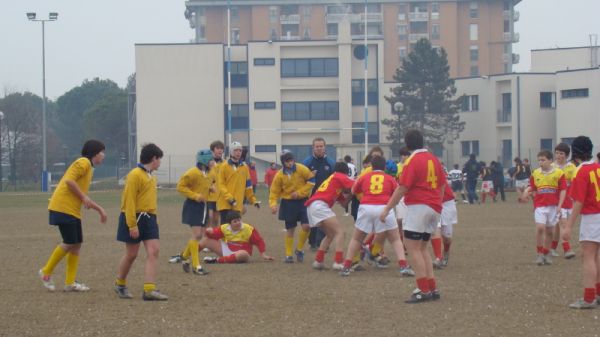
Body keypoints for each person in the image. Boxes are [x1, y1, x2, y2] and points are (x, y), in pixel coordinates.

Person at [379, 129, 446, 304]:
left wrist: (387, 209)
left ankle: (422, 290)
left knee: (412, 247)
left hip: (419, 206)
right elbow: (442, 185)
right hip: (434, 207)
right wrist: (437, 203)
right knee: (422, 248)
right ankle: (432, 287)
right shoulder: (434, 159)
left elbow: (402, 188)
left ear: (407, 144)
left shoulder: (412, 161)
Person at [38, 140, 108, 292]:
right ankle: (46, 271)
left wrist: (100, 210)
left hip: (72, 210)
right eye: (102, 152)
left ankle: (70, 283)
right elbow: (69, 181)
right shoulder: (83, 162)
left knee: (76, 244)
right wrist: (84, 198)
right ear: (95, 153)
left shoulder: (89, 167)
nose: (104, 155)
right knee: (70, 242)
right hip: (63, 207)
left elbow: (84, 196)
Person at [340, 156, 413, 277]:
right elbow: (397, 193)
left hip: (366, 207)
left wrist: (351, 201)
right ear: (384, 167)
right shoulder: (390, 178)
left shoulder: (364, 177)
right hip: (383, 208)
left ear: (371, 166)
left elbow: (352, 191)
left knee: (357, 238)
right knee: (395, 239)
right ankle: (403, 266)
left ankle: (346, 267)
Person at [115, 143, 167, 301]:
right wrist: (132, 225)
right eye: (159, 159)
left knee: (154, 251)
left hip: (149, 218)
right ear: (154, 158)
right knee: (132, 254)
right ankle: (120, 284)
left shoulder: (151, 176)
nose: (160, 162)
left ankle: (149, 290)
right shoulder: (135, 174)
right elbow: (129, 201)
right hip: (134, 218)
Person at [562, 136, 600, 309]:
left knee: (588, 256)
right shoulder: (598, 167)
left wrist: (568, 226)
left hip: (592, 217)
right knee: (597, 257)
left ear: (575, 153)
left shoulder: (581, 171)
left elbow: (578, 201)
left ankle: (589, 297)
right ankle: (597, 293)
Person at [518, 150, 566, 266]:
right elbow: (532, 187)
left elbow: (563, 190)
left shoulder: (559, 173)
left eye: (543, 160)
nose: (540, 162)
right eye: (539, 160)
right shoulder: (535, 173)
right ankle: (539, 254)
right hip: (540, 206)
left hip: (553, 207)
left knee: (550, 232)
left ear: (550, 160)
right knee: (540, 228)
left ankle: (546, 253)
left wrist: (560, 205)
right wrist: (525, 193)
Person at [305, 162, 355, 271]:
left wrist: (350, 194)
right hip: (320, 205)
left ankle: (319, 261)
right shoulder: (339, 175)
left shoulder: (334, 179)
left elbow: (343, 204)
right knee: (340, 232)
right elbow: (355, 185)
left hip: (314, 205)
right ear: (346, 172)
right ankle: (338, 262)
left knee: (330, 235)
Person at [269, 150, 315, 263]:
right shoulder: (279, 175)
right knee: (290, 229)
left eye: (291, 160)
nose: (290, 163)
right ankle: (288, 255)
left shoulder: (301, 168)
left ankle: (299, 249)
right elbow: (274, 192)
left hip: (303, 201)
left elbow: (312, 181)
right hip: (288, 203)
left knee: (307, 226)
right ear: (283, 163)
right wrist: (273, 205)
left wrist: (299, 193)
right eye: (287, 161)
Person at [174, 149, 213, 276]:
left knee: (200, 235)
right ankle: (197, 266)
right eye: (211, 160)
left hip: (204, 206)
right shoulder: (192, 172)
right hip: (193, 206)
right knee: (197, 235)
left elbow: (205, 183)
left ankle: (185, 256)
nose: (213, 162)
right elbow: (180, 187)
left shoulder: (207, 173)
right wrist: (194, 195)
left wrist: (210, 188)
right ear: (205, 161)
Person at [202, 211, 274, 264]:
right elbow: (214, 235)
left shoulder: (248, 229)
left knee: (243, 255)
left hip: (242, 253)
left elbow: (259, 241)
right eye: (235, 221)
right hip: (227, 250)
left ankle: (216, 260)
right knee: (206, 241)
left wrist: (263, 254)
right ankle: (192, 255)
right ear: (230, 223)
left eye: (239, 220)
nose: (238, 223)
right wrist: (208, 232)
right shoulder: (224, 227)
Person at [303, 137, 336, 250]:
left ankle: (321, 243)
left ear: (325, 147)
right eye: (317, 146)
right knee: (312, 221)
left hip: (325, 198)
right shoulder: (307, 163)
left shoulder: (331, 163)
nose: (319, 148)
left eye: (321, 146)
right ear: (313, 148)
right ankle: (312, 243)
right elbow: (301, 179)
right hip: (311, 197)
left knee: (324, 221)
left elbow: (334, 180)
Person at [217, 142, 260, 224]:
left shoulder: (244, 167)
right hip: (225, 204)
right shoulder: (224, 166)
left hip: (237, 205)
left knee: (235, 230)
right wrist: (230, 198)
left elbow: (248, 186)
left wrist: (253, 200)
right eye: (236, 150)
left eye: (240, 150)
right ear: (231, 152)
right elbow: (221, 185)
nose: (238, 152)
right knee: (225, 230)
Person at [550, 142, 577, 259]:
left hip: (569, 201)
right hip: (557, 200)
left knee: (557, 225)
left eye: (561, 153)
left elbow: (576, 183)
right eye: (556, 153)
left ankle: (552, 248)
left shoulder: (572, 167)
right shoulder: (551, 167)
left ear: (566, 155)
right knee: (563, 223)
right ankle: (567, 249)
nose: (558, 155)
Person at [207, 140, 225, 227]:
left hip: (219, 196)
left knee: (216, 219)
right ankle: (205, 235)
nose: (220, 150)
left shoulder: (224, 163)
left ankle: (214, 236)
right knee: (209, 217)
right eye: (217, 148)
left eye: (221, 148)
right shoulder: (208, 163)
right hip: (208, 195)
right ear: (212, 150)